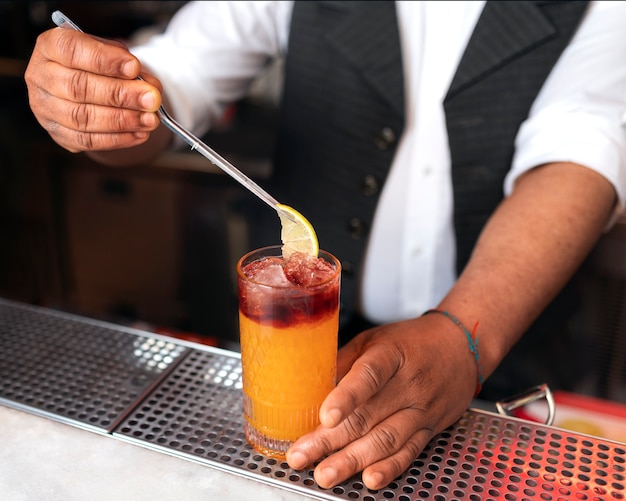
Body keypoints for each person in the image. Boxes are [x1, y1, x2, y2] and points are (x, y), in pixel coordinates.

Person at [24, 0, 626, 491]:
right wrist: (99, 106)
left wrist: (466, 336)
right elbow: (179, 75)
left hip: (493, 359)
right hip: (293, 356)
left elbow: (579, 153)